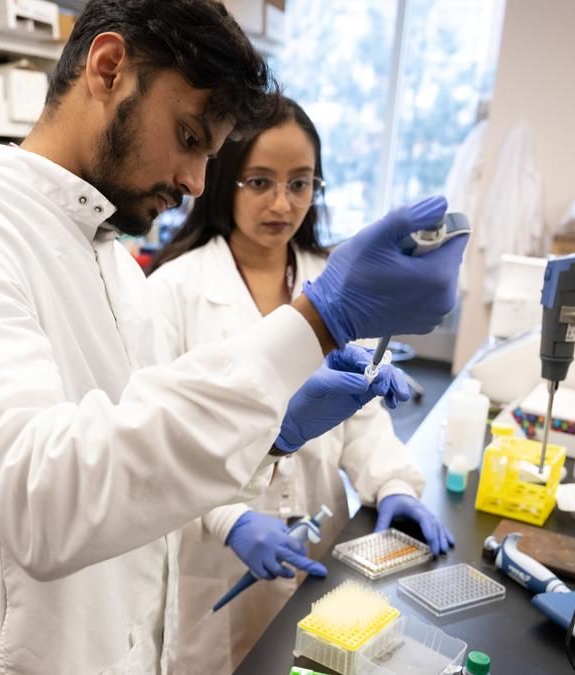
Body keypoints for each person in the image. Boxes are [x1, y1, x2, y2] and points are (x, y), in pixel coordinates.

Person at [0, 0, 469, 672]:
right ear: (108, 67)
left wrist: (277, 432)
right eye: (189, 138)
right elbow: (45, 497)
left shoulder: (115, 265)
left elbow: (139, 461)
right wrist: (316, 323)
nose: (193, 182)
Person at [149, 97, 456, 672]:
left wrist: (393, 486)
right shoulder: (174, 291)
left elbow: (362, 414)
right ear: (223, 180)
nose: (282, 203)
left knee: (317, 661)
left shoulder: (333, 279)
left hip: (323, 536)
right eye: (260, 182)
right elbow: (158, 442)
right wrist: (230, 518)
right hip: (216, 555)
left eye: (300, 184)